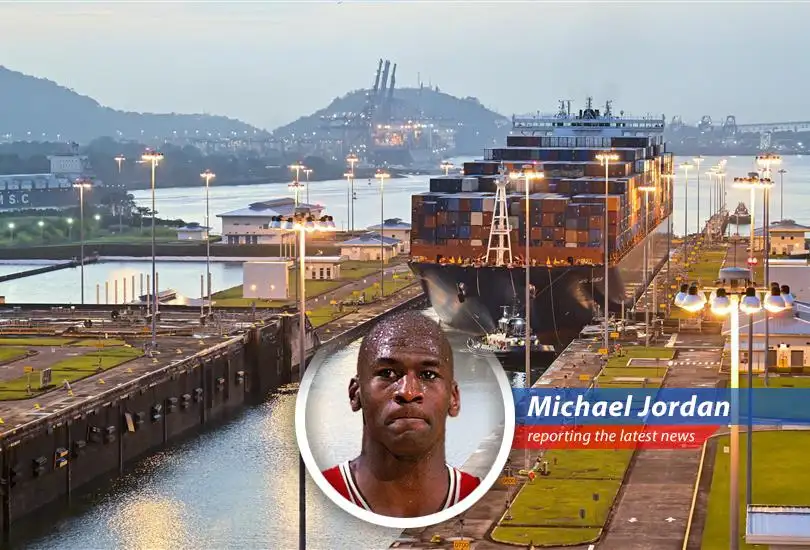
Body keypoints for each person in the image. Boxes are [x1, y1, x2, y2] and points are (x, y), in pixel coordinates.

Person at [322, 311, 480, 517]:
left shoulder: (477, 494)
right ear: (355, 394)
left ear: (454, 398)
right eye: (387, 373)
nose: (408, 392)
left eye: (428, 375)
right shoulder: (317, 498)